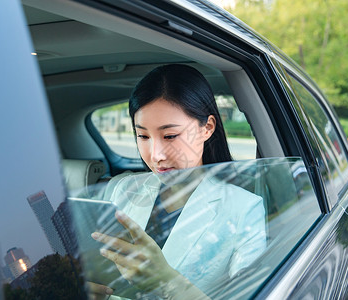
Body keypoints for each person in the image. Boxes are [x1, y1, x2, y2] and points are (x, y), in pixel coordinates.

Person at [90, 64, 266, 299]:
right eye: (142, 136)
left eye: (170, 136)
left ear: (207, 128)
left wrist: (167, 281)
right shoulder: (122, 189)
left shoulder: (244, 208)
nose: (156, 155)